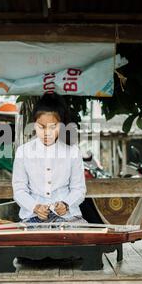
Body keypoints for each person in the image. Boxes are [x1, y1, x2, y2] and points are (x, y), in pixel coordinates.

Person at [12, 93, 87, 223]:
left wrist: (66, 204)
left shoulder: (72, 152)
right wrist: (35, 207)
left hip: (67, 217)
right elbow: (19, 190)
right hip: (32, 217)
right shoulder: (23, 152)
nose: (47, 133)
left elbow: (79, 189)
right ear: (34, 124)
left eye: (53, 127)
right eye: (41, 127)